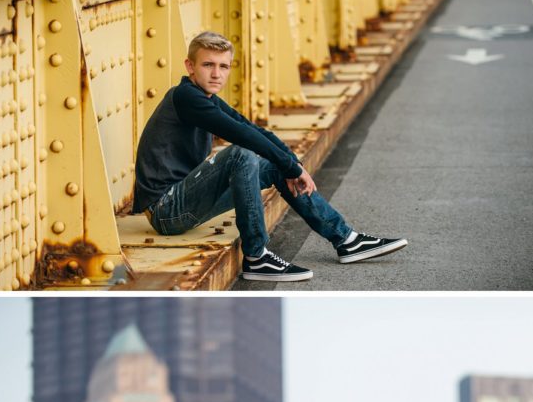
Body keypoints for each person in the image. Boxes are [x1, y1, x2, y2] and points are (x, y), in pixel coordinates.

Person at [132, 31, 406, 284]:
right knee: (241, 153)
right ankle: (256, 256)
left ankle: (346, 239)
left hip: (186, 202)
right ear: (190, 66)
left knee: (273, 165)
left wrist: (292, 162)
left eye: (223, 66)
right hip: (167, 209)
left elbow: (249, 126)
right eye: (208, 65)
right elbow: (241, 136)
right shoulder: (185, 97)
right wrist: (291, 167)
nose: (216, 74)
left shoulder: (205, 97)